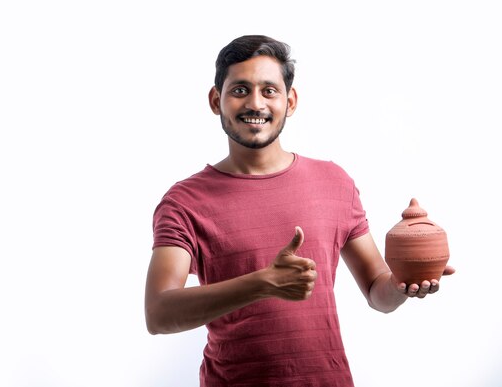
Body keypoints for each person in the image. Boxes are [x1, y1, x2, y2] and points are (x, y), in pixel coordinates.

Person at [144, 35, 455, 387]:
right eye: (240, 90)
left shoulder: (334, 181)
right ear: (217, 101)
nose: (255, 103)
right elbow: (158, 312)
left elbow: (376, 292)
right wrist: (262, 283)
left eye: (269, 90)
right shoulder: (184, 202)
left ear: (290, 101)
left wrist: (402, 286)